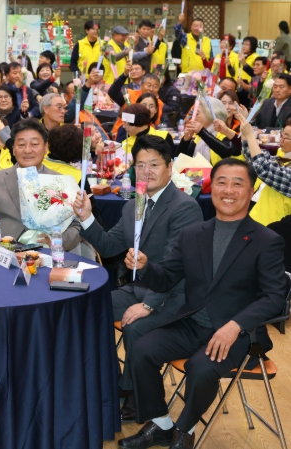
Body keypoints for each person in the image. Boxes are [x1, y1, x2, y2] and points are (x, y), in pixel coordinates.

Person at [120, 158, 288, 449]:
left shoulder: (267, 240)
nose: (228, 190)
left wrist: (235, 325)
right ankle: (161, 423)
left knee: (200, 368)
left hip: (238, 334)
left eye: (238, 184)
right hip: (192, 323)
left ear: (251, 191)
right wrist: (146, 267)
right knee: (141, 348)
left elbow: (274, 297)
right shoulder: (193, 234)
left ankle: (185, 429)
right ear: (213, 188)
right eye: (221, 182)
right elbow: (166, 278)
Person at [74, 136, 202, 421]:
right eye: (141, 165)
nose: (146, 171)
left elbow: (178, 267)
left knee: (135, 327)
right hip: (140, 287)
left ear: (169, 167)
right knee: (90, 310)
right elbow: (109, 247)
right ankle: (116, 381)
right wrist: (87, 217)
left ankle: (135, 393)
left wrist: (149, 305)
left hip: (174, 296)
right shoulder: (134, 204)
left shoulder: (184, 207)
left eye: (154, 164)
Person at [0, 119, 83, 248]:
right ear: (13, 148)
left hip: (45, 253)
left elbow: (77, 225)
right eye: (21, 144)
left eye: (34, 144)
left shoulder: (60, 181)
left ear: (46, 147)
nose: (27, 150)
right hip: (2, 252)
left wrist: (55, 241)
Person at [241, 115, 291, 225]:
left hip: (274, 228)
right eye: (281, 135)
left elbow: (264, 169)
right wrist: (245, 122)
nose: (281, 140)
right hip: (257, 218)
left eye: (286, 137)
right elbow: (252, 155)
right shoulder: (284, 158)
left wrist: (250, 135)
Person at [179, 96, 240, 164]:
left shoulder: (230, 135)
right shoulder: (198, 137)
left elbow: (226, 152)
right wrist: (185, 140)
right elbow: (180, 159)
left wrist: (201, 131)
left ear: (210, 114)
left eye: (197, 113)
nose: (193, 117)